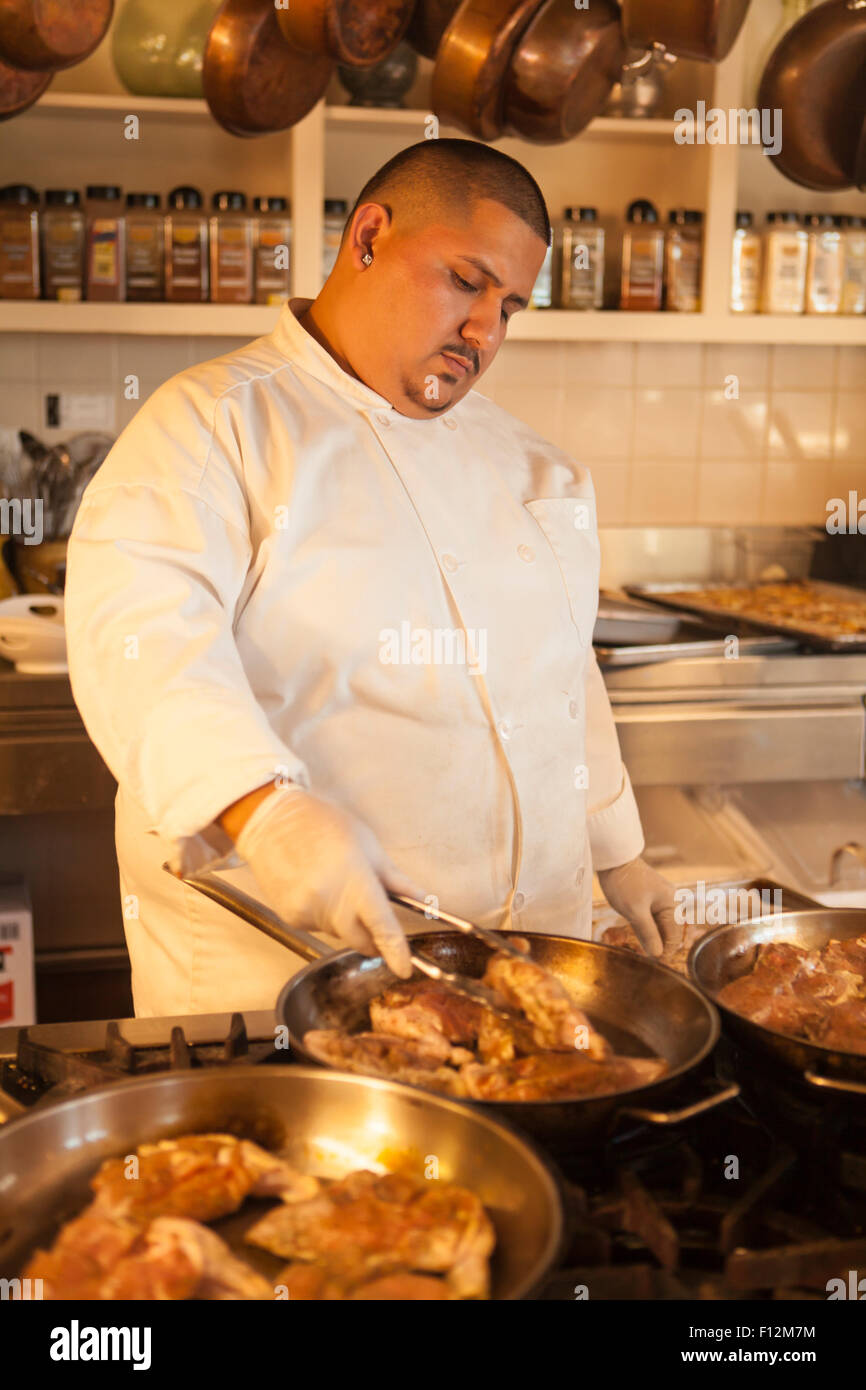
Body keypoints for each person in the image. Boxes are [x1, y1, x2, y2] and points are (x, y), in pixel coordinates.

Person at [65, 138, 678, 1018]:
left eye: (510, 306)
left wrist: (617, 851)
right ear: (368, 237)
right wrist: (264, 812)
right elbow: (145, 642)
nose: (486, 332)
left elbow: (559, 675)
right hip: (284, 983)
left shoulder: (534, 466)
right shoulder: (214, 427)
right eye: (467, 281)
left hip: (525, 975)